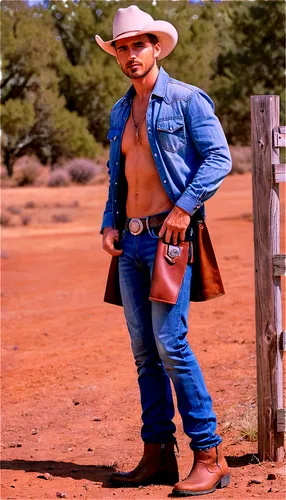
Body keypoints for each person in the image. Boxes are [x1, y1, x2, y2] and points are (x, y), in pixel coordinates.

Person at [95, 5, 232, 497]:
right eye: (122, 48)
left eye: (139, 45)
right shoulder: (118, 109)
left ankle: (209, 453)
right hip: (129, 242)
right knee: (143, 352)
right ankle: (157, 455)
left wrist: (184, 209)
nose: (131, 55)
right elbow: (119, 178)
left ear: (156, 47)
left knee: (170, 342)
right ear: (116, 56)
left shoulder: (187, 100)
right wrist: (109, 224)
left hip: (170, 239)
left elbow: (220, 157)